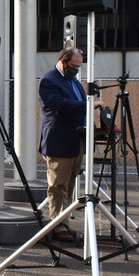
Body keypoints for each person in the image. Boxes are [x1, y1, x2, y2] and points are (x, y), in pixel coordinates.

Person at [38, 47, 102, 242]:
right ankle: (57, 228)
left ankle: (63, 223)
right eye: (74, 66)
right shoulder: (49, 80)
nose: (76, 69)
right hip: (59, 142)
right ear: (63, 61)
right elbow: (60, 105)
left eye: (78, 66)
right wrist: (89, 104)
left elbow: (82, 111)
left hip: (75, 142)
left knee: (69, 185)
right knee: (57, 186)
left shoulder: (73, 81)